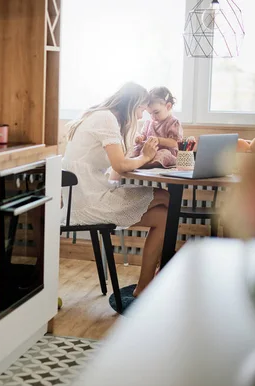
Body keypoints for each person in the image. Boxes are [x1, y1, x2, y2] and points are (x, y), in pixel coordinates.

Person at [62, 82, 169, 300]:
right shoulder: (106, 118)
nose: (141, 116)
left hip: (91, 192)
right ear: (133, 104)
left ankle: (147, 283)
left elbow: (116, 166)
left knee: (166, 213)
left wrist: (138, 154)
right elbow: (120, 165)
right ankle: (153, 277)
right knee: (166, 198)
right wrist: (146, 157)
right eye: (141, 110)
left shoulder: (104, 116)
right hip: (88, 201)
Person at [130, 87, 183, 168]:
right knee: (135, 149)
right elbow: (144, 135)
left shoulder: (173, 122)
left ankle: (146, 164)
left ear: (168, 106)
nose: (153, 117)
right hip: (149, 152)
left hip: (166, 153)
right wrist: (140, 138)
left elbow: (175, 143)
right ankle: (134, 161)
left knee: (163, 153)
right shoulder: (149, 122)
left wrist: (159, 140)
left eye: (156, 112)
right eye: (150, 113)